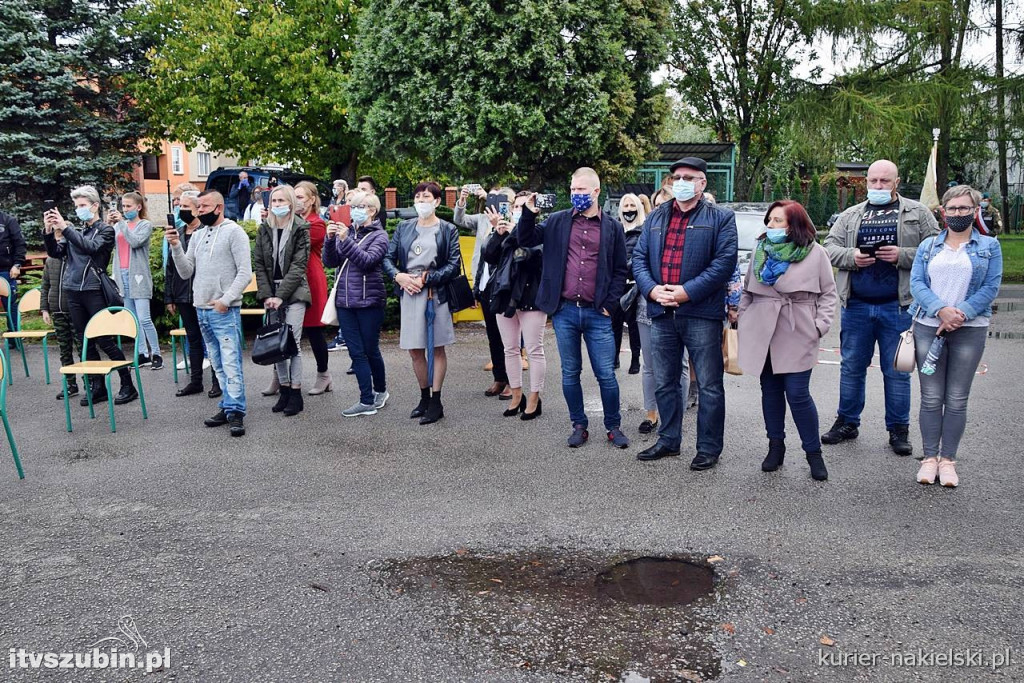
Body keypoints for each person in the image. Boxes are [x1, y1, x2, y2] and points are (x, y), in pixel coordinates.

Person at [822, 159, 939, 455]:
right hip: (857, 305)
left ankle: (898, 429)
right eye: (873, 181)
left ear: (896, 182)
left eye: (884, 181)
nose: (878, 186)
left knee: (897, 370)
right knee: (851, 367)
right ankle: (847, 421)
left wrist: (902, 254)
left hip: (898, 306)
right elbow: (829, 247)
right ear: (866, 183)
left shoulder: (918, 213)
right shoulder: (851, 215)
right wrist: (851, 256)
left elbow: (937, 249)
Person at [632, 157, 738, 469]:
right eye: (676, 176)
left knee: (708, 385)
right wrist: (652, 289)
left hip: (701, 313)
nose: (681, 181)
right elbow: (639, 258)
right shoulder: (657, 216)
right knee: (665, 382)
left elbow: (724, 262)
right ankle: (668, 440)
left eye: (689, 177)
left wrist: (686, 291)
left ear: (703, 183)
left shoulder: (721, 218)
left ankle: (708, 448)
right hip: (661, 311)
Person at [517, 167, 630, 449]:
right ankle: (578, 424)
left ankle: (613, 426)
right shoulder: (557, 221)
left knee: (606, 373)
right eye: (572, 189)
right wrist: (529, 213)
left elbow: (620, 270)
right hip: (565, 310)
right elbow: (525, 240)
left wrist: (609, 305)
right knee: (570, 372)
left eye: (581, 189)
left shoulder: (613, 227)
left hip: (598, 312)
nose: (575, 194)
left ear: (596, 191)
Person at [909, 185, 1002, 488]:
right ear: (943, 211)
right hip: (928, 325)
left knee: (958, 398)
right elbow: (917, 283)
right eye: (952, 209)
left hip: (969, 329)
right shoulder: (928, 246)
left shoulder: (990, 246)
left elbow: (990, 287)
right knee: (931, 397)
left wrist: (959, 313)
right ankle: (929, 458)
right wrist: (941, 311)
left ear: (975, 211)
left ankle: (948, 460)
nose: (958, 214)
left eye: (964, 209)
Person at [737, 200, 837, 481]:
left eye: (778, 221)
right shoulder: (761, 250)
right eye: (769, 221)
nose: (771, 226)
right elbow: (747, 290)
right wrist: (745, 317)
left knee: (797, 392)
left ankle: (813, 453)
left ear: (793, 223)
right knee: (769, 390)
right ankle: (775, 447)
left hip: (798, 327)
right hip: (761, 327)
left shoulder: (816, 252)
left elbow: (829, 294)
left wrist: (819, 326)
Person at [42, 186, 138, 407]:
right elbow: (55, 253)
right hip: (73, 290)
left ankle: (127, 384)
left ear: (95, 206)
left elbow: (90, 248)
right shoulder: (76, 230)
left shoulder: (105, 231)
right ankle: (97, 387)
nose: (79, 210)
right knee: (85, 340)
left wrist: (65, 228)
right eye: (76, 206)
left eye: (83, 205)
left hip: (94, 290)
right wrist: (49, 231)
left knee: (104, 338)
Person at [168, 190, 252, 437]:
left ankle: (236, 411)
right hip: (201, 309)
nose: (198, 211)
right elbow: (186, 272)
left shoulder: (234, 232)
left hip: (223, 310)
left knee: (230, 362)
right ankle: (228, 405)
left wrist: (226, 300)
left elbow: (245, 273)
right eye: (198, 207)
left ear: (219, 207)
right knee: (216, 362)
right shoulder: (197, 235)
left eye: (204, 207)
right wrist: (175, 247)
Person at [383, 181, 461, 425]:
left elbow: (453, 263)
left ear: (437, 201)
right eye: (417, 198)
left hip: (434, 294)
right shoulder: (404, 228)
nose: (421, 202)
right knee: (415, 350)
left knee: (437, 347)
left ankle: (436, 400)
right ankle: (424, 396)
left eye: (426, 197)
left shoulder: (448, 229)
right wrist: (399, 276)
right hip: (409, 293)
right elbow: (388, 258)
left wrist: (430, 278)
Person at [324, 190, 390, 417]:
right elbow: (331, 261)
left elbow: (367, 261)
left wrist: (345, 239)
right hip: (345, 301)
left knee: (370, 350)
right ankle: (366, 400)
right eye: (352, 207)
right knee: (356, 352)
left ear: (372, 210)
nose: (354, 211)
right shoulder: (348, 231)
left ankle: (380, 390)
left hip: (369, 301)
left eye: (360, 207)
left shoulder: (380, 236)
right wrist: (330, 238)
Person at [482, 191, 546, 419]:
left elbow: (532, 257)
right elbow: (489, 256)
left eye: (524, 206)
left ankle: (534, 397)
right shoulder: (504, 230)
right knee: (509, 348)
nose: (519, 210)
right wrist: (498, 235)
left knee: (533, 349)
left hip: (531, 297)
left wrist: (514, 234)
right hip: (505, 296)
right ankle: (516, 394)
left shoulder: (539, 232)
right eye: (516, 206)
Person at [253, 185, 311, 416]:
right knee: (276, 344)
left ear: (290, 203)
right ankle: (284, 389)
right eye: (273, 201)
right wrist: (268, 295)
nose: (277, 205)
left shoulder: (300, 228)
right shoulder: (264, 229)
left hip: (294, 292)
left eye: (281, 201)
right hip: (272, 292)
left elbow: (298, 267)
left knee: (292, 343)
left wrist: (280, 296)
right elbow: (259, 264)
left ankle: (296, 392)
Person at [455, 184, 513, 399]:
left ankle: (511, 381)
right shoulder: (481, 220)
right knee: (492, 335)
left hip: (504, 287)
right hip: (484, 284)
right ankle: (499, 377)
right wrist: (462, 200)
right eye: (492, 198)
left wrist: (503, 225)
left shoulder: (512, 222)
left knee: (508, 337)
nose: (495, 203)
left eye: (501, 199)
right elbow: (460, 220)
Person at [166, 192, 221, 398]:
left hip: (202, 293)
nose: (183, 211)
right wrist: (169, 297)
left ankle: (217, 380)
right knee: (193, 338)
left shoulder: (205, 232)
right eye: (180, 206)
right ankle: (196, 380)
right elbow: (170, 267)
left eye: (187, 207)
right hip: (182, 294)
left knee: (211, 339)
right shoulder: (178, 233)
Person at [108, 192, 162, 370]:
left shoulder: (144, 225)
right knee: (133, 319)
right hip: (121, 274)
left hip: (138, 276)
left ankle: (156, 354)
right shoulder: (119, 227)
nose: (125, 209)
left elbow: (135, 242)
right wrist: (110, 226)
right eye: (123, 206)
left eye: (128, 206)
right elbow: (110, 246)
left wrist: (122, 224)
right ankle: (142, 354)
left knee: (144, 318)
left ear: (138, 207)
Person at [293, 181, 332, 395]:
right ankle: (280, 377)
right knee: (286, 330)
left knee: (314, 330)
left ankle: (323, 375)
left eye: (301, 197)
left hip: (311, 279)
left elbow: (297, 243)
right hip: (293, 279)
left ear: (311, 200)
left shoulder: (317, 224)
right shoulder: (292, 221)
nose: (297, 201)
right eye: (294, 196)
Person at [40, 255, 81, 400]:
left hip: (75, 312)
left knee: (83, 349)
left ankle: (91, 384)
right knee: (64, 351)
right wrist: (45, 309)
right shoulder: (50, 261)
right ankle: (70, 384)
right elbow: (45, 285)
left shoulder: (75, 257)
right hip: (57, 312)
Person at [617, 193, 645, 374]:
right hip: (617, 284)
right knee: (614, 323)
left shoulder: (644, 229)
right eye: (625, 206)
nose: (629, 210)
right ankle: (614, 358)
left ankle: (635, 358)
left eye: (632, 205)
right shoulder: (615, 228)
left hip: (636, 285)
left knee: (634, 326)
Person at [0, 209, 27, 341]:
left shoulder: (8, 220)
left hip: (6, 271)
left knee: (10, 306)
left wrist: (17, 264)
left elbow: (20, 244)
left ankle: (15, 338)